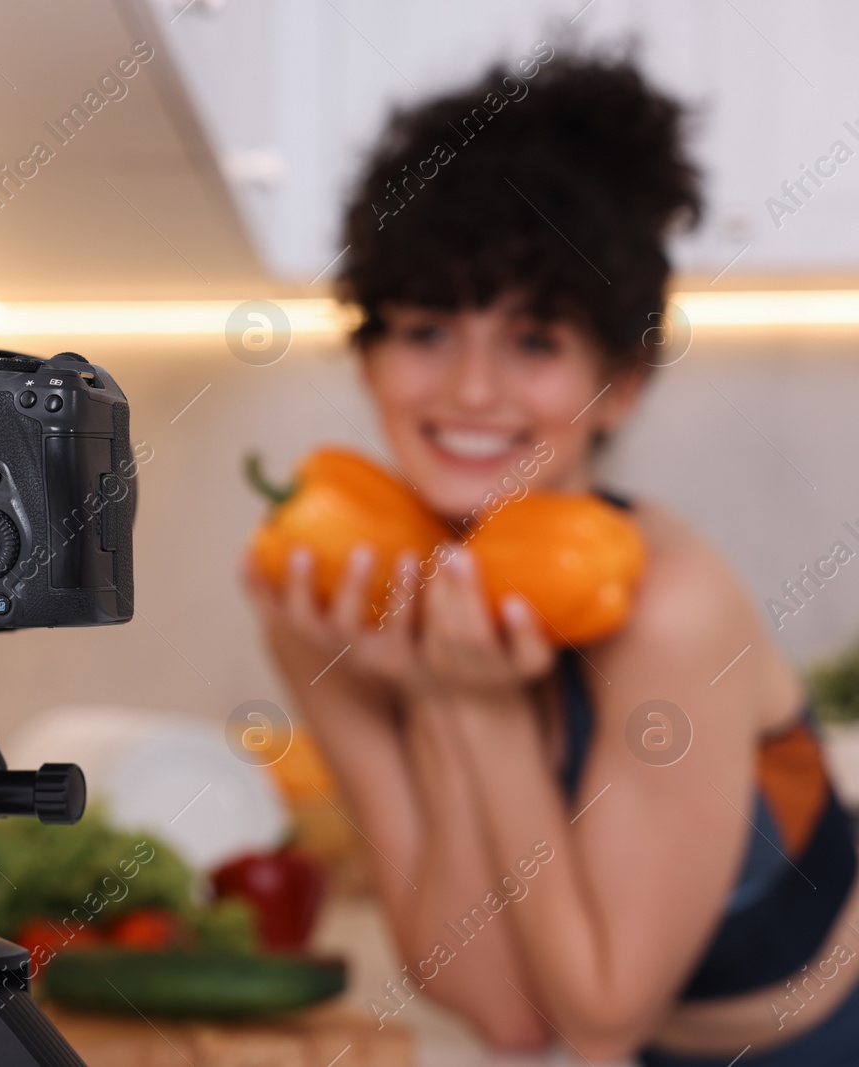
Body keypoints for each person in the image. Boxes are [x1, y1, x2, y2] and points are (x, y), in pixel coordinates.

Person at [246, 52, 859, 1065]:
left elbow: (599, 1014)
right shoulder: (330, 599)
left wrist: (473, 705)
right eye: (427, 328)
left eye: (534, 339)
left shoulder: (668, 603)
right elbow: (503, 1010)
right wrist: (439, 701)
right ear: (365, 353)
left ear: (617, 382)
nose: (472, 388)